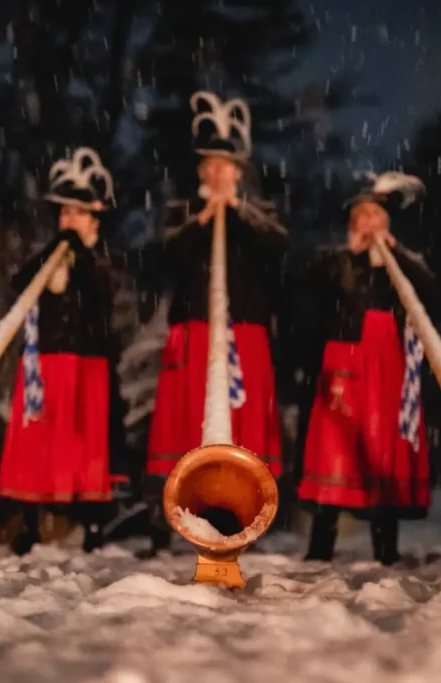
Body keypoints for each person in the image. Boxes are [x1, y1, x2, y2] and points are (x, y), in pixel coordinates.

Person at [140, 91, 288, 557]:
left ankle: (244, 513)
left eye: (226, 166)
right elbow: (164, 256)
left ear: (238, 171)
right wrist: (203, 218)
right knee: (182, 422)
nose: (217, 173)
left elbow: (277, 248)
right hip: (195, 329)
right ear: (202, 170)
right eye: (210, 165)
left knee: (242, 424)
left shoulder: (257, 213)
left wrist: (237, 211)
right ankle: (167, 522)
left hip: (243, 330)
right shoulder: (184, 212)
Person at [293, 170, 435, 565]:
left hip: (387, 365)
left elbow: (429, 289)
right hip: (344, 360)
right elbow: (307, 287)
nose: (369, 222)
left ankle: (386, 548)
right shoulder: (336, 261)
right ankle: (320, 547)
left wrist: (396, 254)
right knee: (333, 449)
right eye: (361, 216)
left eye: (375, 215)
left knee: (383, 447)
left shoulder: (402, 262)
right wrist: (353, 256)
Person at [0, 147, 129, 555]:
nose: (69, 220)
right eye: (64, 212)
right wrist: (56, 249)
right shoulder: (49, 255)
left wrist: (78, 251)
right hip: (44, 362)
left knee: (86, 445)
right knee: (37, 442)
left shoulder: (100, 260)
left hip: (87, 364)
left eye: (78, 213)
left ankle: (93, 526)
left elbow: (102, 290)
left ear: (94, 218)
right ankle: (29, 523)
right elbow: (19, 284)